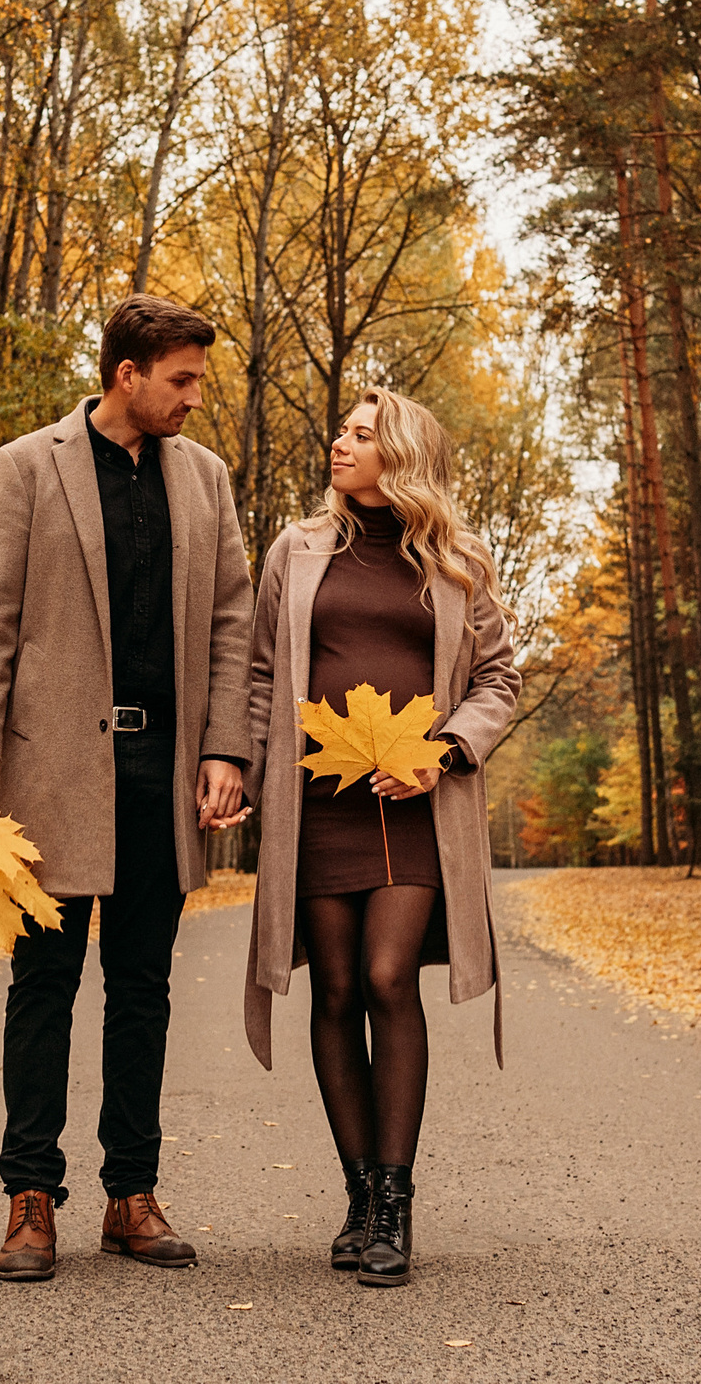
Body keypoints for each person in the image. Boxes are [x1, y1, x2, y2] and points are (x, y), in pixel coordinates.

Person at [0, 294, 255, 1284]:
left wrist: (226, 749)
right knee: (42, 987)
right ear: (127, 373)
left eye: (197, 380)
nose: (194, 398)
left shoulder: (205, 479)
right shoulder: (27, 466)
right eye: (181, 380)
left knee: (144, 989)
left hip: (162, 773)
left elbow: (233, 626)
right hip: (50, 771)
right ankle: (29, 1197)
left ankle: (132, 1195)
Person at [241, 387, 522, 1288]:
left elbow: (497, 682)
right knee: (331, 991)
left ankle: (396, 1198)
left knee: (386, 975)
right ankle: (359, 1193)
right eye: (342, 431)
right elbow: (256, 672)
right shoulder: (296, 548)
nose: (340, 442)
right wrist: (235, 770)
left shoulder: (458, 559)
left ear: (398, 453)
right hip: (319, 801)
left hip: (415, 803)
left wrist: (441, 753)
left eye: (361, 435)